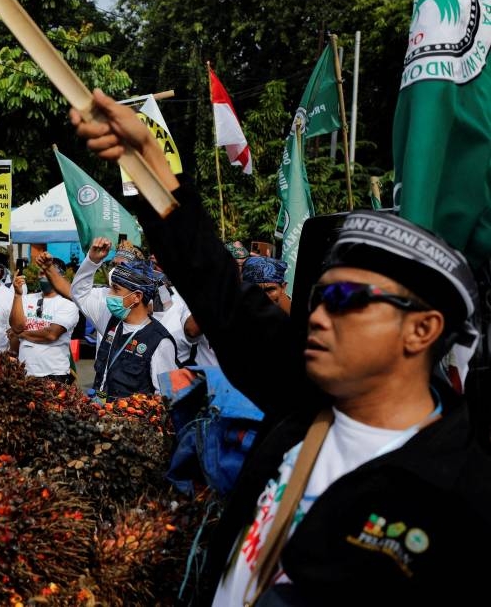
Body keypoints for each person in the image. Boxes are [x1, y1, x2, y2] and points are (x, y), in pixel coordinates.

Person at [71, 88, 491, 604]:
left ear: (422, 329)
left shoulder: (461, 492)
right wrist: (145, 157)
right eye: (318, 296)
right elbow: (217, 287)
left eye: (344, 298)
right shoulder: (303, 401)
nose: (317, 314)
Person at [71, 240, 177, 399]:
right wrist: (92, 261)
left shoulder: (160, 342)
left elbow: (166, 397)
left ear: (137, 297)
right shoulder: (109, 320)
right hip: (98, 415)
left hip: (131, 421)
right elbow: (79, 294)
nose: (109, 294)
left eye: (116, 290)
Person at [8, 261, 80, 383]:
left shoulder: (68, 304)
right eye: (41, 273)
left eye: (46, 273)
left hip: (54, 374)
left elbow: (51, 334)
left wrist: (22, 334)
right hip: (25, 372)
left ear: (59, 277)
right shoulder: (26, 299)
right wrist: (18, 295)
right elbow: (16, 326)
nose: (42, 276)